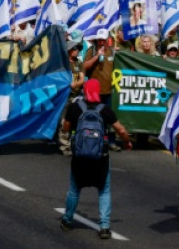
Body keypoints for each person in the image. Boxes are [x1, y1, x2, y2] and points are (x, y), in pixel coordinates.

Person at [60, 79, 132, 240]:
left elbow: (65, 128)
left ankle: (67, 219)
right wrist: (127, 141)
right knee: (104, 190)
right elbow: (120, 129)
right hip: (101, 158)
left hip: (79, 157)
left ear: (84, 91)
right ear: (98, 91)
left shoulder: (75, 107)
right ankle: (104, 226)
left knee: (75, 188)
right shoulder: (105, 110)